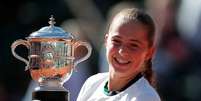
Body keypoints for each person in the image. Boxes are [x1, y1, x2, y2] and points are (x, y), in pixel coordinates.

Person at [77, 8, 161, 101]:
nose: (122, 51)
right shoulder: (92, 83)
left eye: (133, 45)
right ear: (106, 41)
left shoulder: (145, 97)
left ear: (149, 53)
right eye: (116, 41)